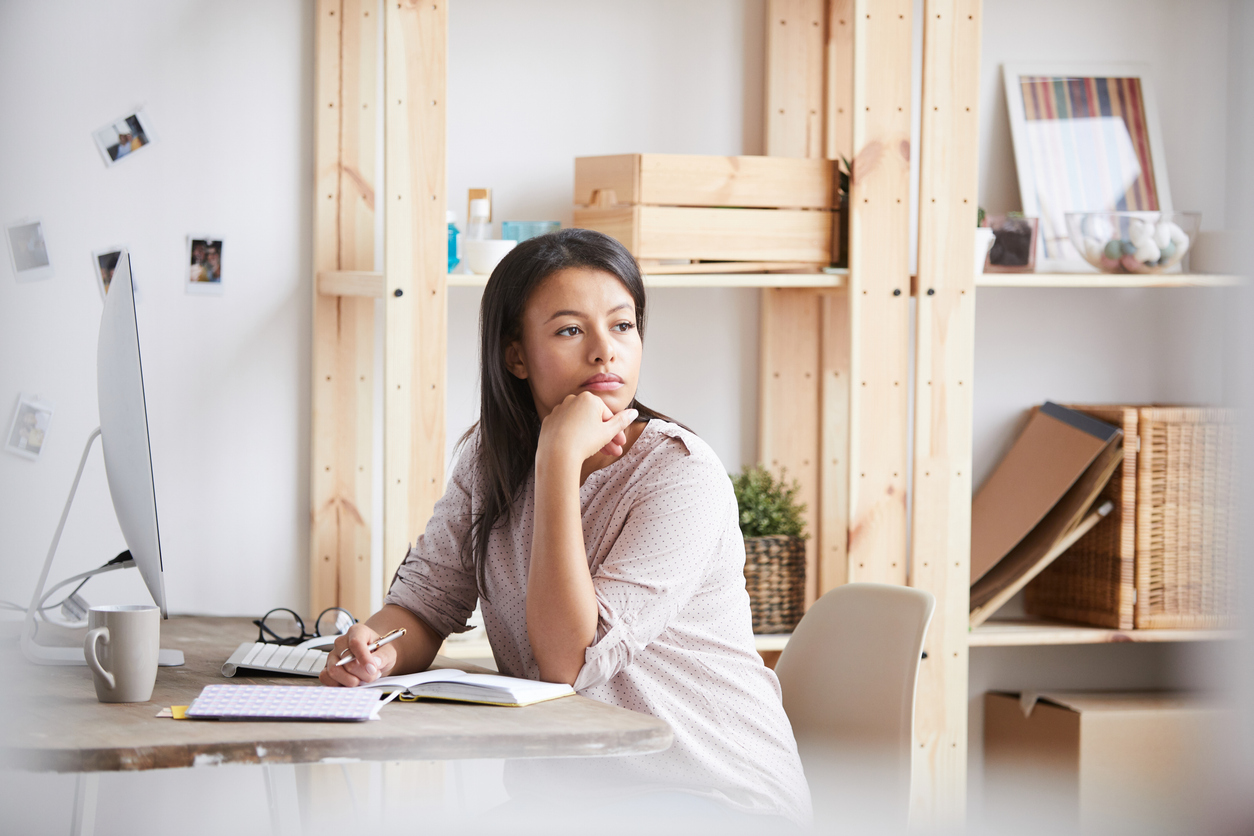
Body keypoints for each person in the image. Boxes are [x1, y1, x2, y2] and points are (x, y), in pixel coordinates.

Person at [321, 228, 811, 829]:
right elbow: (425, 604)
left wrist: (556, 463)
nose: (605, 351)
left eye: (622, 326)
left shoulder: (680, 474)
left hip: (711, 795)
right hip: (571, 800)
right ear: (516, 355)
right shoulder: (487, 458)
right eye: (570, 330)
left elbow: (569, 662)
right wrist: (375, 650)